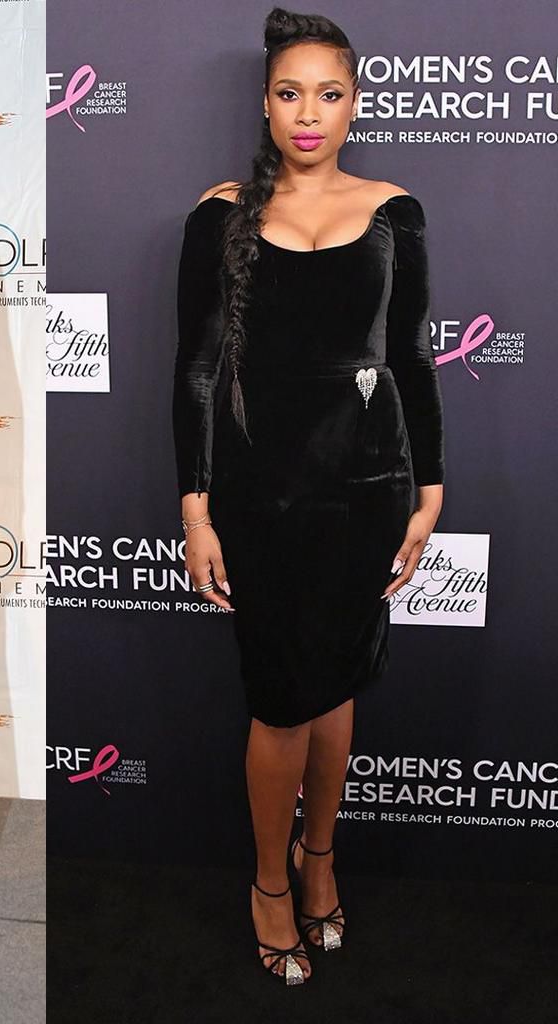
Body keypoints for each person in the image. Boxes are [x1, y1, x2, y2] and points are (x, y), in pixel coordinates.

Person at [172, 7, 444, 986]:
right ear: (265, 103)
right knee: (283, 701)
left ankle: (318, 858)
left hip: (367, 490)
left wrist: (428, 492)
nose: (308, 113)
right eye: (290, 93)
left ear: (354, 104)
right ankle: (267, 884)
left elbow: (411, 359)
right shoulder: (220, 216)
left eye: (328, 94)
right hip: (260, 499)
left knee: (336, 687)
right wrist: (196, 510)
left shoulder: (394, 211)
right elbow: (197, 372)